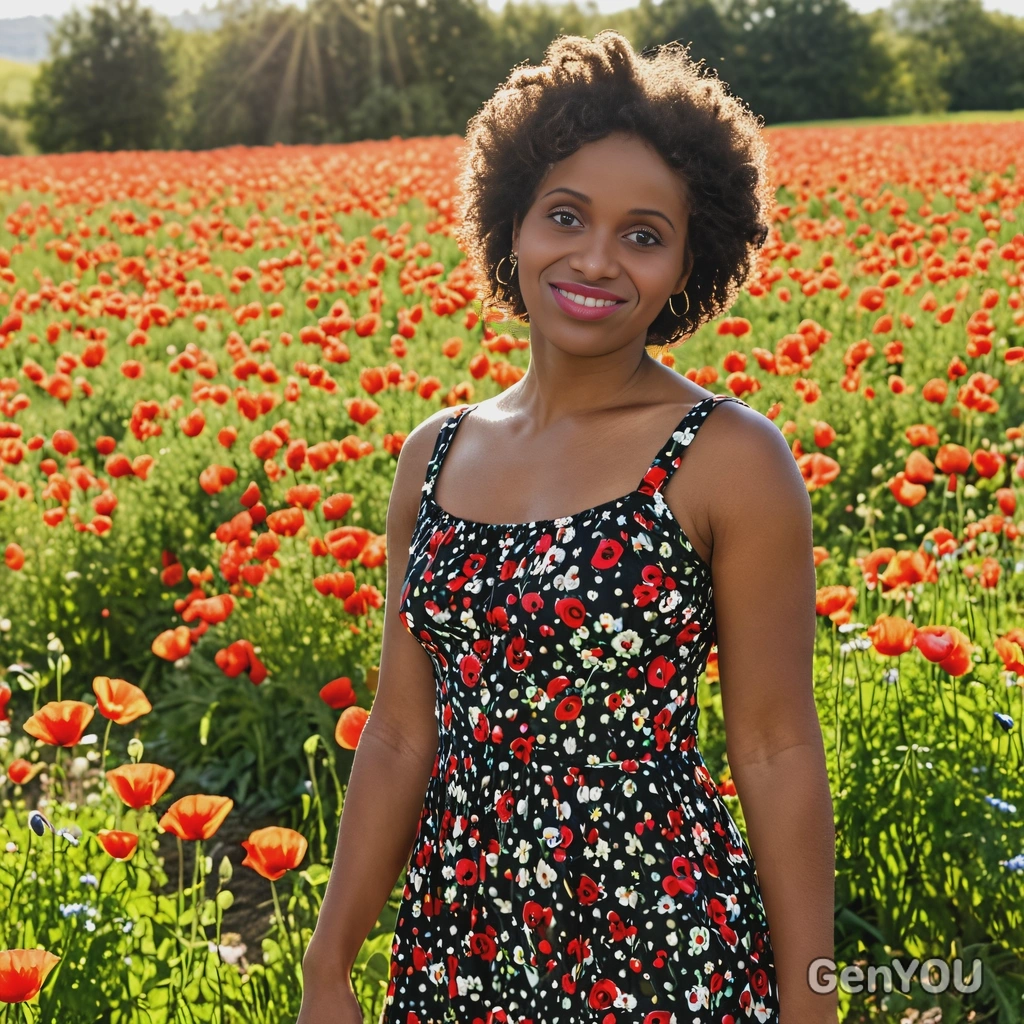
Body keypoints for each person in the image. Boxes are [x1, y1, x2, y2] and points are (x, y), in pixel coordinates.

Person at [298, 29, 836, 1024]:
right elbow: (403, 733)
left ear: (688, 261)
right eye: (564, 216)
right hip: (461, 940)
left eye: (643, 234)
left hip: (662, 935)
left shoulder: (726, 457)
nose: (595, 259)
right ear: (509, 226)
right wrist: (328, 962)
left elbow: (772, 746)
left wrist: (812, 1002)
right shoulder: (437, 453)